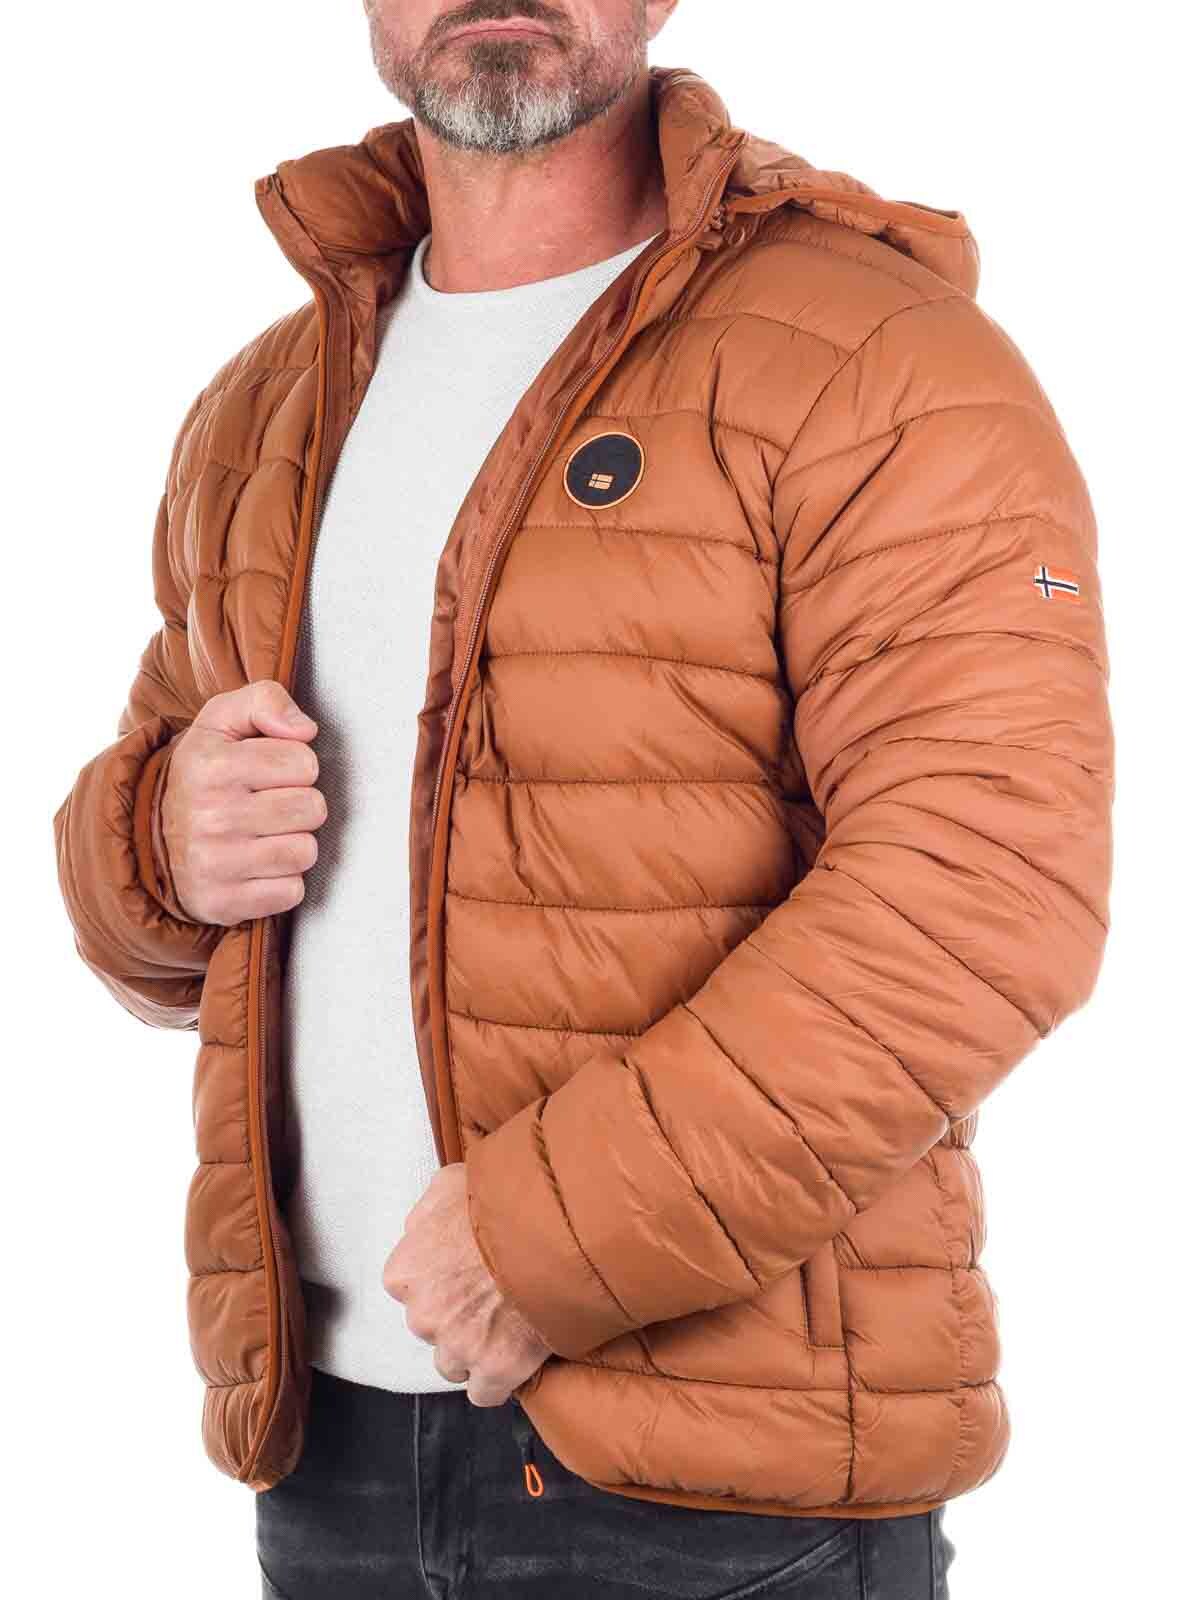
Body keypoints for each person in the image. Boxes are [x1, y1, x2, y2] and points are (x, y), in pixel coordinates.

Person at [51, 2, 1114, 1595]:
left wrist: (548, 1244)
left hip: (720, 1485)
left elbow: (989, 889)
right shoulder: (267, 409)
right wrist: (159, 845)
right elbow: (136, 905)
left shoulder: (876, 357)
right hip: (329, 1457)